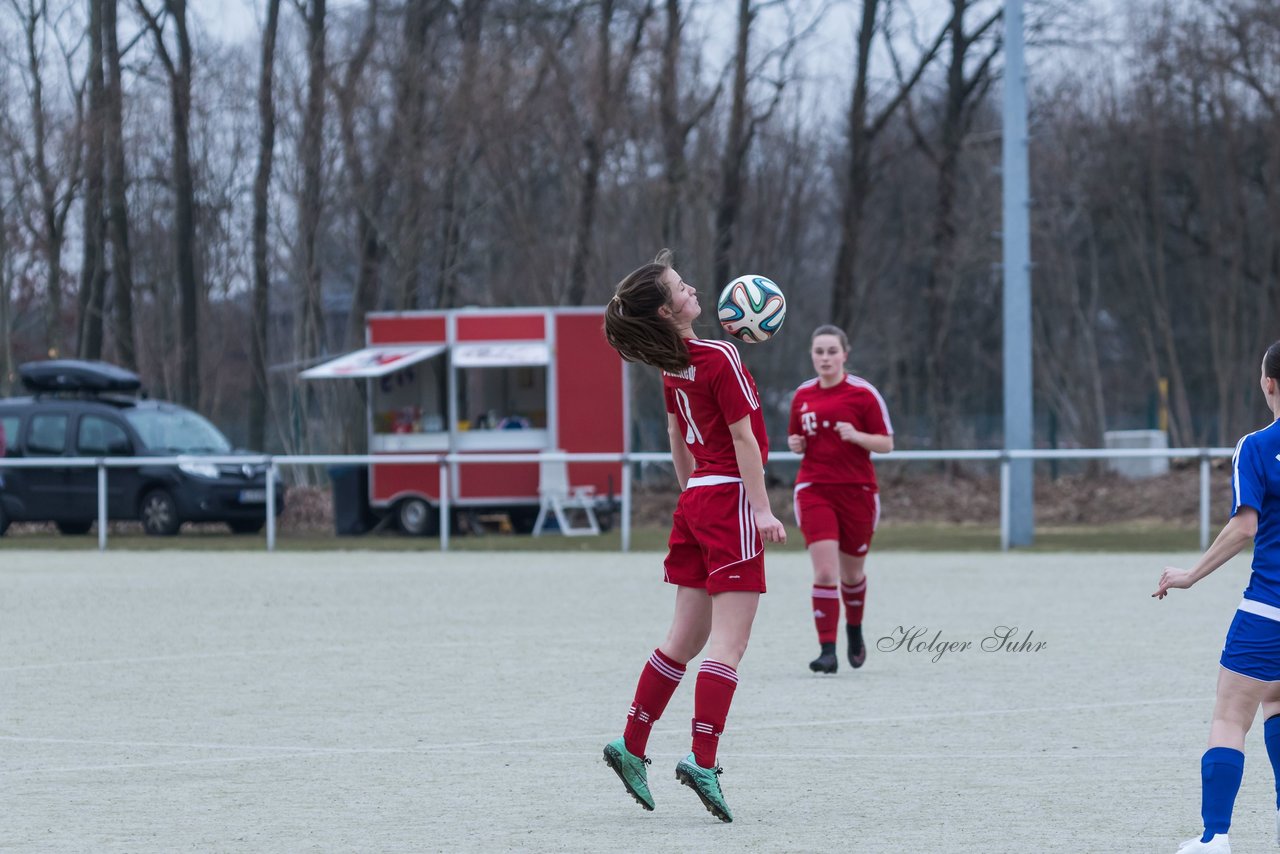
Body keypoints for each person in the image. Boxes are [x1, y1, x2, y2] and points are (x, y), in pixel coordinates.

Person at [600, 250, 786, 823]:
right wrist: (762, 509)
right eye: (682, 288)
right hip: (729, 500)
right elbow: (746, 441)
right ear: (666, 309)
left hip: (698, 499)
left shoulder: (673, 365)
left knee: (683, 639)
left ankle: (632, 745)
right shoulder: (721, 355)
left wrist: (691, 497)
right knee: (727, 645)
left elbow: (677, 437)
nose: (693, 289)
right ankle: (702, 761)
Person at [1154, 340, 1280, 854]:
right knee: (1276, 702)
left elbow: (1244, 525)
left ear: (1268, 383)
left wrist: (1191, 574)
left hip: (1269, 610)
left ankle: (1214, 838)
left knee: (1231, 715)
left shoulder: (1256, 446)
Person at [787, 325, 893, 674]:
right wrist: (796, 444)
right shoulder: (802, 395)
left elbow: (886, 443)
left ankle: (854, 629)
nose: (825, 358)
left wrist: (857, 435)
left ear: (844, 354)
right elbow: (797, 437)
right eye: (819, 352)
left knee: (852, 574)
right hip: (814, 489)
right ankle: (827, 651)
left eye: (832, 351)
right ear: (812, 356)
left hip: (857, 492)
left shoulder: (863, 394)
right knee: (826, 570)